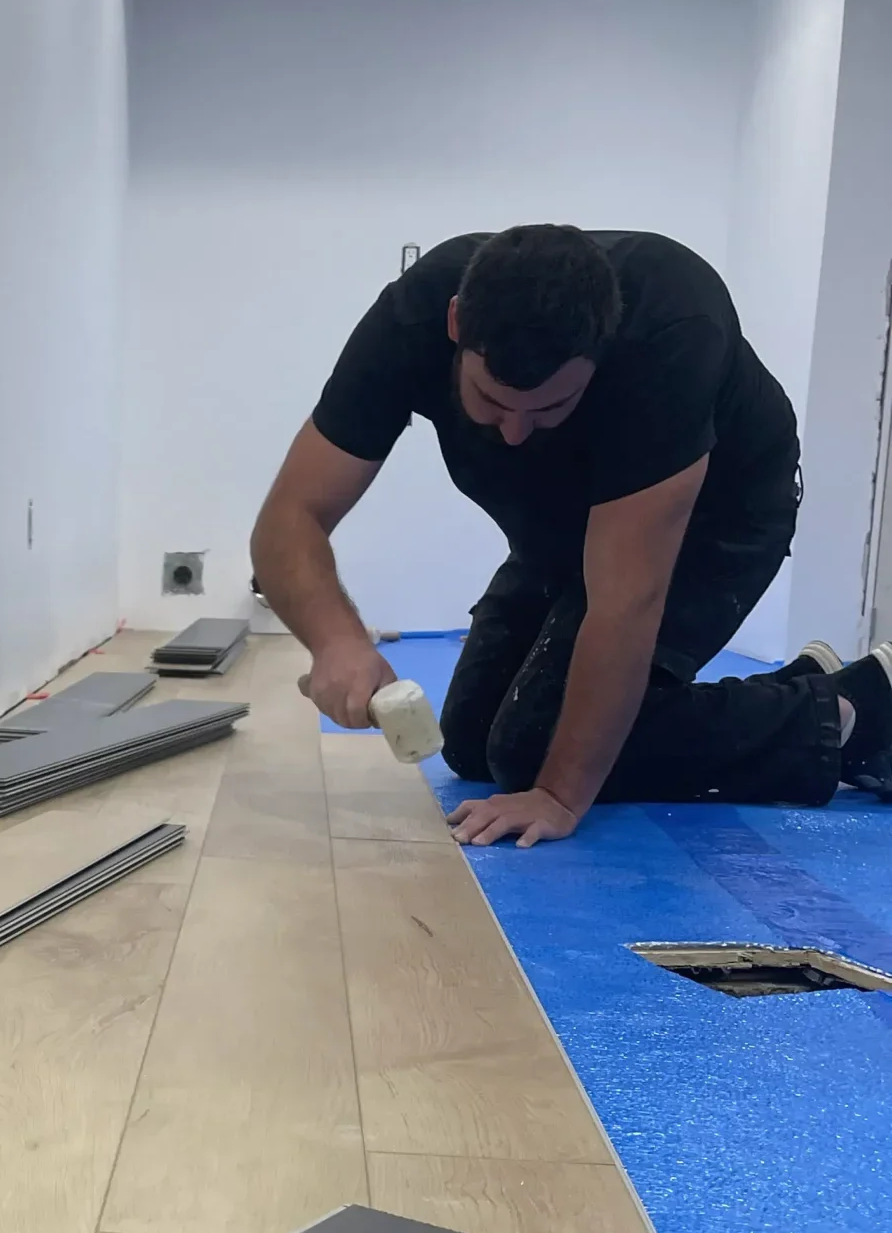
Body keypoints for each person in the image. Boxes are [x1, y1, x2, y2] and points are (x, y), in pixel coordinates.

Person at [249, 223, 892, 846]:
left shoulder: (669, 331)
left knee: (532, 751)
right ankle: (799, 688)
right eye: (491, 403)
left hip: (718, 521)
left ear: (601, 353)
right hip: (562, 524)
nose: (515, 434)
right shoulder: (410, 321)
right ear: (455, 326)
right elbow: (291, 516)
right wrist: (335, 642)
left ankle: (853, 708)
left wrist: (558, 796)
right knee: (473, 741)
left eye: (551, 409)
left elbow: (625, 604)